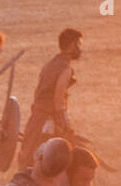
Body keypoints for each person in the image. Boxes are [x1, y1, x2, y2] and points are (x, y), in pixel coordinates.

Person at [20, 28, 82, 167]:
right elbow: (58, 100)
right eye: (78, 44)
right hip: (48, 121)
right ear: (72, 45)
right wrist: (65, 125)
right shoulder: (65, 68)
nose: (79, 48)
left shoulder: (50, 64)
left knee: (30, 156)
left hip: (36, 119)